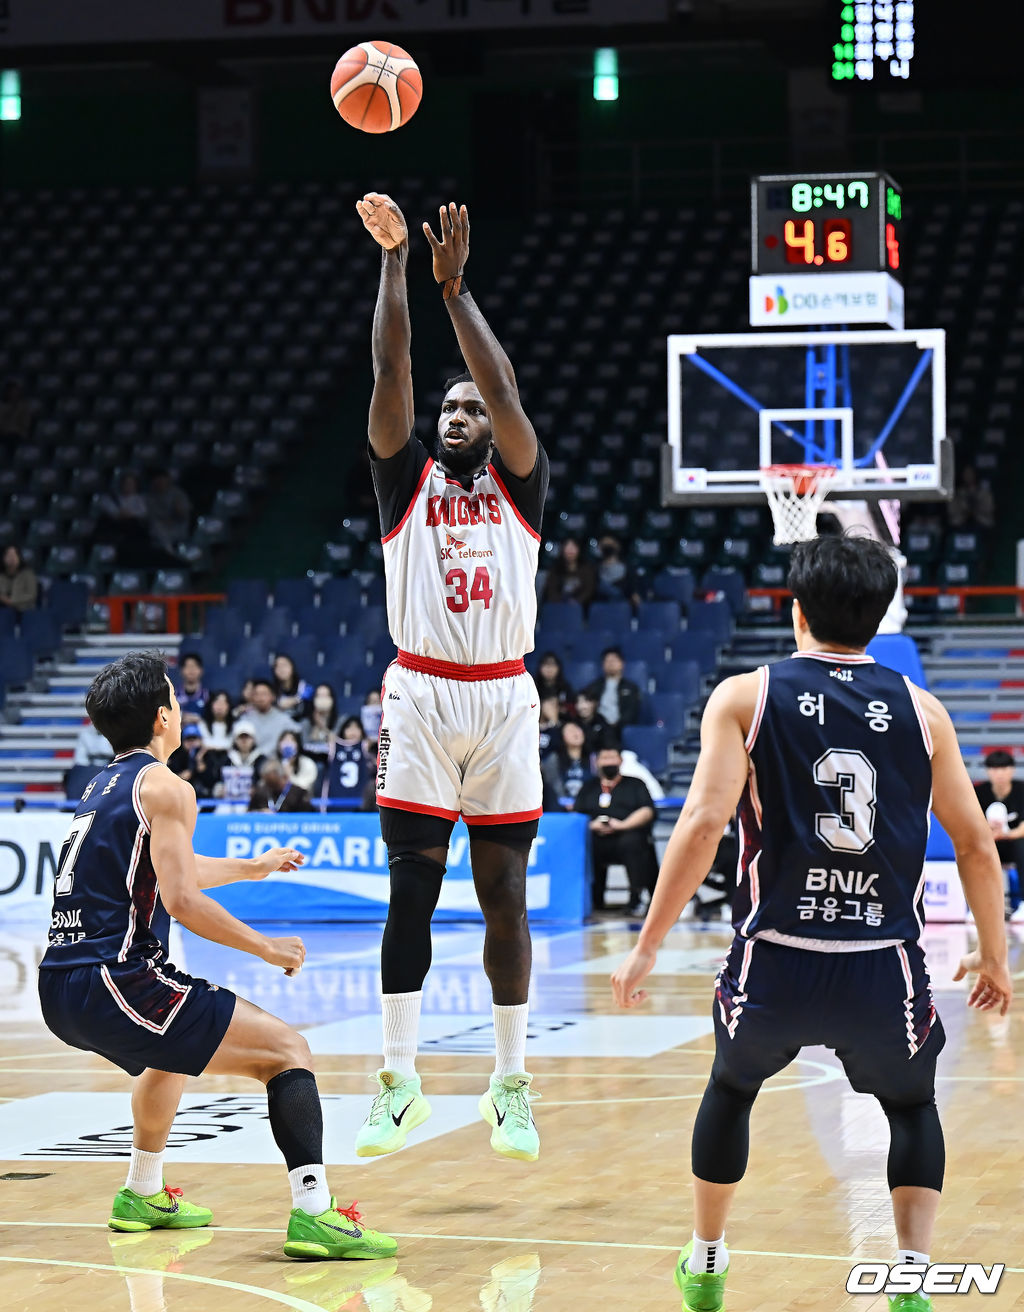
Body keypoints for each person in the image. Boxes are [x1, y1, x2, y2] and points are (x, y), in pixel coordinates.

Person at [611, 534, 1012, 1312]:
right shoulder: (924, 711)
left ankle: (707, 1260)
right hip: (881, 961)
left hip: (775, 957)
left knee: (731, 1087)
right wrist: (993, 956)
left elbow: (702, 823)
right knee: (911, 1106)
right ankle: (911, 1278)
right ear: (881, 616)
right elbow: (975, 845)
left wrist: (648, 944)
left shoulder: (745, 696)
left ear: (796, 612)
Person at [36, 651, 396, 1259]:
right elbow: (180, 899)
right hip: (116, 979)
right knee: (287, 1051)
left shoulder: (103, 786)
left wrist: (252, 868)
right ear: (161, 717)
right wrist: (266, 947)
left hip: (61, 985)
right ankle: (315, 1214)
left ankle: (142, 1193)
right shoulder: (168, 787)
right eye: (175, 699)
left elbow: (170, 867)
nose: (181, 709)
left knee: (169, 1056)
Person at [353, 190, 549, 1162]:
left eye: (471, 406)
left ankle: (509, 1084)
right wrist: (395, 263)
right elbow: (391, 368)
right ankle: (399, 1083)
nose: (462, 413)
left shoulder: (522, 481)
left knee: (504, 891)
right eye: (451, 408)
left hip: (504, 698)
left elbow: (504, 389)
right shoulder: (405, 481)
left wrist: (455, 289)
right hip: (422, 695)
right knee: (412, 892)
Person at [575, 744, 656, 914]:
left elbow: (647, 811)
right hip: (597, 837)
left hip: (627, 835)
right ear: (597, 762)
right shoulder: (588, 787)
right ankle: (594, 901)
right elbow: (576, 816)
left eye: (612, 758)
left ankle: (636, 898)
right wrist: (592, 825)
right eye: (605, 758)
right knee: (584, 845)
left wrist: (623, 825)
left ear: (620, 760)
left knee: (634, 842)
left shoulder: (635, 784)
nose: (609, 762)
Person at [975, 749, 1024, 916]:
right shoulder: (979, 793)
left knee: (1022, 846)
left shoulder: (1021, 790)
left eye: (1004, 768)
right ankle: (980, 907)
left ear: (1012, 770)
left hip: (1014, 844)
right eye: (995, 769)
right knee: (974, 849)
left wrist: (1005, 834)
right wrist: (988, 833)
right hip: (989, 844)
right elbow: (973, 824)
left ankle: (1023, 904)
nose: (1000, 774)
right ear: (988, 771)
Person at [322, 716, 373, 810]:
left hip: (360, 795)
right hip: (336, 795)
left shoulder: (365, 746)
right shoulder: (333, 746)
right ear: (343, 730)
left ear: (362, 730)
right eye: (349, 727)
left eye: (356, 727)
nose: (353, 731)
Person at [583, 646, 641, 728]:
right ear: (602, 665)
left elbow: (631, 713)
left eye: (614, 660)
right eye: (607, 661)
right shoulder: (594, 686)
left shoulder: (631, 688)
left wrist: (616, 726)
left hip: (620, 728)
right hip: (597, 727)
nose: (610, 663)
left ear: (622, 664)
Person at [541, 719, 593, 808]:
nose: (575, 733)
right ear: (562, 737)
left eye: (577, 729)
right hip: (560, 806)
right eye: (570, 731)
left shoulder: (593, 758)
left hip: (588, 804)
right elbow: (554, 785)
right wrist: (565, 802)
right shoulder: (553, 759)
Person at [217, 719, 266, 805]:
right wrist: (219, 790)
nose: (244, 741)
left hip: (254, 804)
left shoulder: (261, 759)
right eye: (241, 737)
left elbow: (264, 782)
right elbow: (218, 780)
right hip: (228, 803)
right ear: (235, 740)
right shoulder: (226, 759)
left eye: (247, 737)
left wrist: (257, 790)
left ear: (253, 739)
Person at [542, 536, 597, 609]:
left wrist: (577, 601)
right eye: (567, 546)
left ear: (579, 549)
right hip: (558, 606)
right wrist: (560, 601)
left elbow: (589, 590)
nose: (570, 550)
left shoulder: (586, 569)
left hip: (580, 608)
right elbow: (551, 590)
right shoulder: (555, 569)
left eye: (573, 547)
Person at [248, 678, 296, 759]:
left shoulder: (283, 719)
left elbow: (297, 735)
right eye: (256, 694)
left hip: (277, 761)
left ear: (273, 696)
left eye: (264, 694)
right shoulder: (245, 720)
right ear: (252, 698)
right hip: (252, 762)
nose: (260, 698)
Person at [302, 682, 339, 773]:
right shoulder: (306, 723)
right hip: (310, 760)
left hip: (333, 761)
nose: (322, 699)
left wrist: (323, 727)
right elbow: (305, 745)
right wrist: (316, 725)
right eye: (319, 696)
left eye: (326, 696)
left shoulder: (340, 721)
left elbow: (337, 744)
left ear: (332, 699)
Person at [276, 727, 319, 794]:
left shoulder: (308, 764)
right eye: (285, 740)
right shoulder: (274, 764)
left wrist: (290, 776)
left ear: (298, 745)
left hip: (301, 798)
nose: (288, 744)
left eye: (291, 740)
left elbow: (304, 787)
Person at [273, 654, 314, 720]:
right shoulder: (272, 690)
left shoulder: (304, 687)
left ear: (292, 667)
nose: (281, 669)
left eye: (284, 665)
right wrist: (278, 706)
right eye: (277, 666)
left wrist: (295, 700)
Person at [0, 543, 39, 613]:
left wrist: (11, 601)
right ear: (4, 557)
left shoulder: (28, 574)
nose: (11, 558)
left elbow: (31, 595)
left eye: (14, 555)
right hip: (4, 610)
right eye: (8, 555)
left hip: (24, 610)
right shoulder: (1, 575)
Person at [173, 653, 209, 727]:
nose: (191, 670)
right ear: (181, 671)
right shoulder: (173, 694)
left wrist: (199, 719)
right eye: (187, 666)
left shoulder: (208, 695)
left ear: (201, 670)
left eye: (194, 666)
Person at [573, 688, 609, 758]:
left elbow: (610, 743)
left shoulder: (601, 721)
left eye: (586, 701)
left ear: (595, 703)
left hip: (600, 758)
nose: (582, 706)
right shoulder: (573, 724)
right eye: (578, 702)